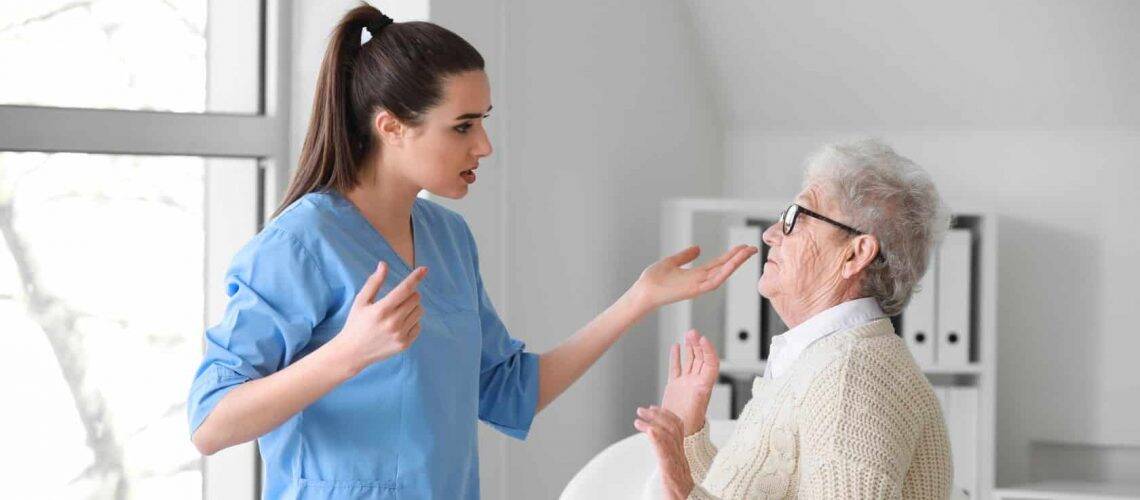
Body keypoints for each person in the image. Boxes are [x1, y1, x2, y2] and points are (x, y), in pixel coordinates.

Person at [186, 5, 757, 499]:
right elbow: (210, 423)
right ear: (391, 127)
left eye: (482, 122)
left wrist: (639, 298)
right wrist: (349, 353)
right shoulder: (301, 244)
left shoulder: (448, 238)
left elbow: (510, 391)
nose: (483, 145)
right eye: (462, 127)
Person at [635, 139, 953, 499]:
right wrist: (688, 437)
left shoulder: (851, 375)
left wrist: (679, 485)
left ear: (856, 254)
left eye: (795, 218)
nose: (771, 234)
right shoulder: (821, 362)